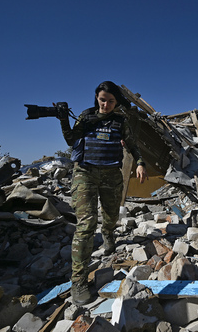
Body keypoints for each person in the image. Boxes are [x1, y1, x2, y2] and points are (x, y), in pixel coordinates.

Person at [59, 81, 147, 305]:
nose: (105, 104)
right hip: (85, 173)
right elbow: (71, 139)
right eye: (102, 100)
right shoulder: (86, 117)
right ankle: (78, 281)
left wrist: (140, 162)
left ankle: (108, 234)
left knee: (111, 216)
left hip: (111, 174)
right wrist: (63, 119)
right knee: (87, 223)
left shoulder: (119, 121)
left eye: (110, 101)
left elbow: (132, 144)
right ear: (96, 99)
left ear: (116, 102)